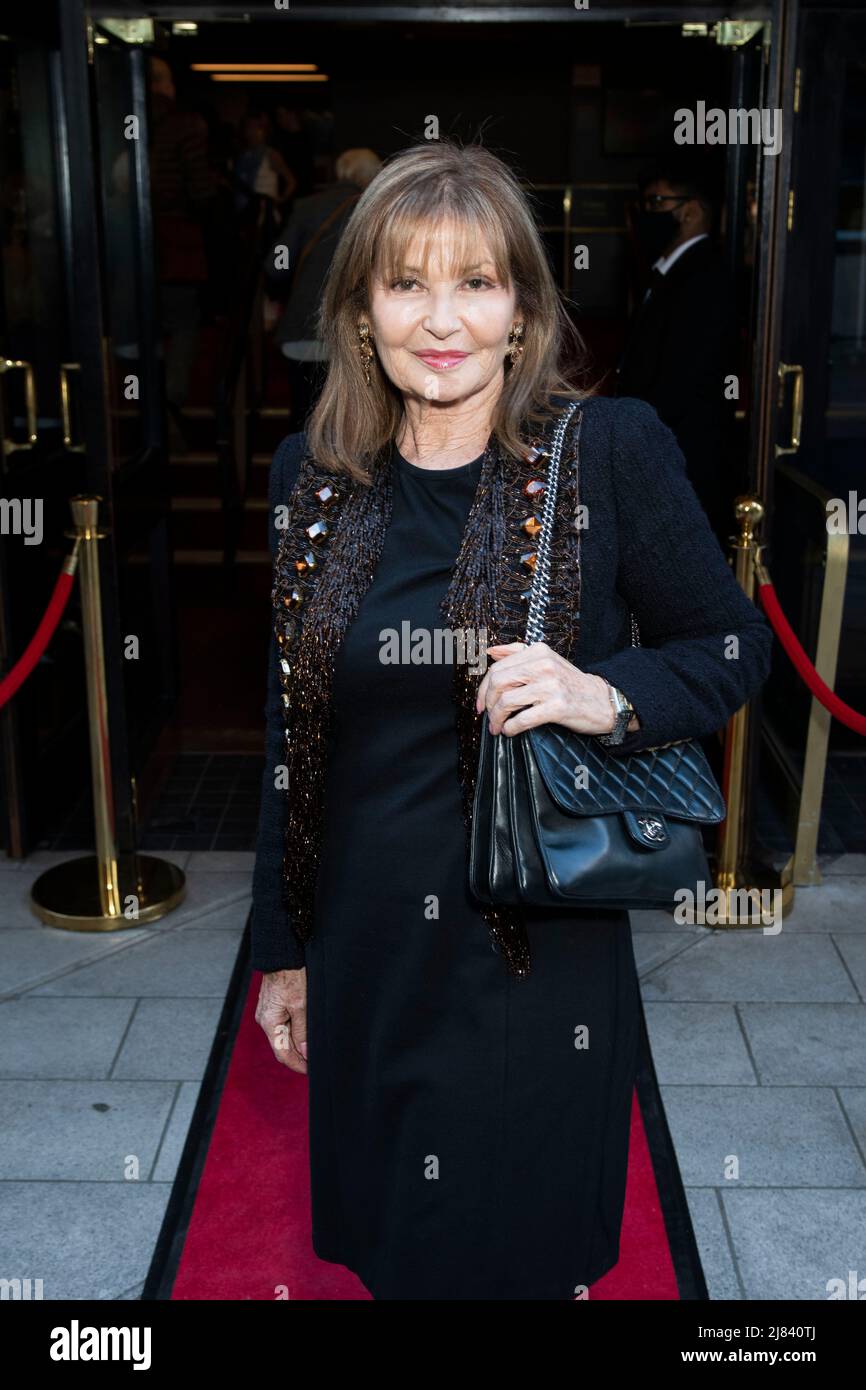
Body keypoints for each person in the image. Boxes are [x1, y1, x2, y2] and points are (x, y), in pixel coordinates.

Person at [251, 140, 773, 1301]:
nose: (441, 319)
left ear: (522, 310)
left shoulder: (607, 453)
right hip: (367, 947)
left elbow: (736, 645)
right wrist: (282, 951)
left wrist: (607, 693)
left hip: (533, 960)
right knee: (397, 1254)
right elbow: (293, 740)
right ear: (359, 309)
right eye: (406, 282)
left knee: (516, 1259)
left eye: (476, 283)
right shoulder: (311, 474)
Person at [616, 160, 739, 540]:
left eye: (656, 202)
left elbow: (680, 382)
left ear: (692, 211)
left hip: (681, 463)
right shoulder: (666, 272)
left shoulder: (703, 278)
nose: (647, 214)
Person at [265, 148, 382, 428]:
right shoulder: (378, 213)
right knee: (350, 424)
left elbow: (275, 263)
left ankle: (299, 471)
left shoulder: (307, 207)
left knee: (302, 419)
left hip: (302, 333)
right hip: (356, 337)